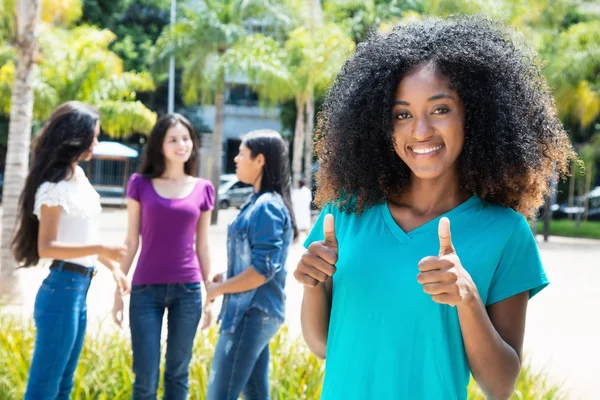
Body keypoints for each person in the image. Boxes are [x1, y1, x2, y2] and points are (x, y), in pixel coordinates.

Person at [294, 16, 576, 400]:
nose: (421, 130)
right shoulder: (345, 213)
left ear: (473, 116)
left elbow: (500, 385)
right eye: (402, 114)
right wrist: (313, 286)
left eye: (440, 109)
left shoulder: (505, 232)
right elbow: (323, 345)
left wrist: (467, 297)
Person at [12, 101, 129, 400]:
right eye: (94, 135)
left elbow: (80, 234)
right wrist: (102, 247)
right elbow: (47, 246)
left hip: (79, 289)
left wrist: (113, 267)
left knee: (63, 384)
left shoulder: (78, 176)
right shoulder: (54, 187)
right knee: (44, 387)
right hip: (61, 291)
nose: (96, 142)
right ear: (75, 135)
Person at [111, 113, 215, 400]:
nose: (182, 145)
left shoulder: (203, 188)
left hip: (189, 290)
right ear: (160, 145)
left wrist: (210, 295)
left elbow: (203, 246)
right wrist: (118, 292)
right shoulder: (139, 184)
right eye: (173, 139)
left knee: (178, 374)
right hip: (145, 290)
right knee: (145, 378)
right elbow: (131, 241)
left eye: (186, 139)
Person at [204, 129, 297, 400]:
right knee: (256, 394)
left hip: (251, 313)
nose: (236, 159)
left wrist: (217, 290)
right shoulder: (258, 203)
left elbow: (262, 272)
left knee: (219, 394)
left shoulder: (267, 207)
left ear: (260, 160)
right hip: (254, 312)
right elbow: (258, 262)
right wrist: (228, 275)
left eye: (242, 154)